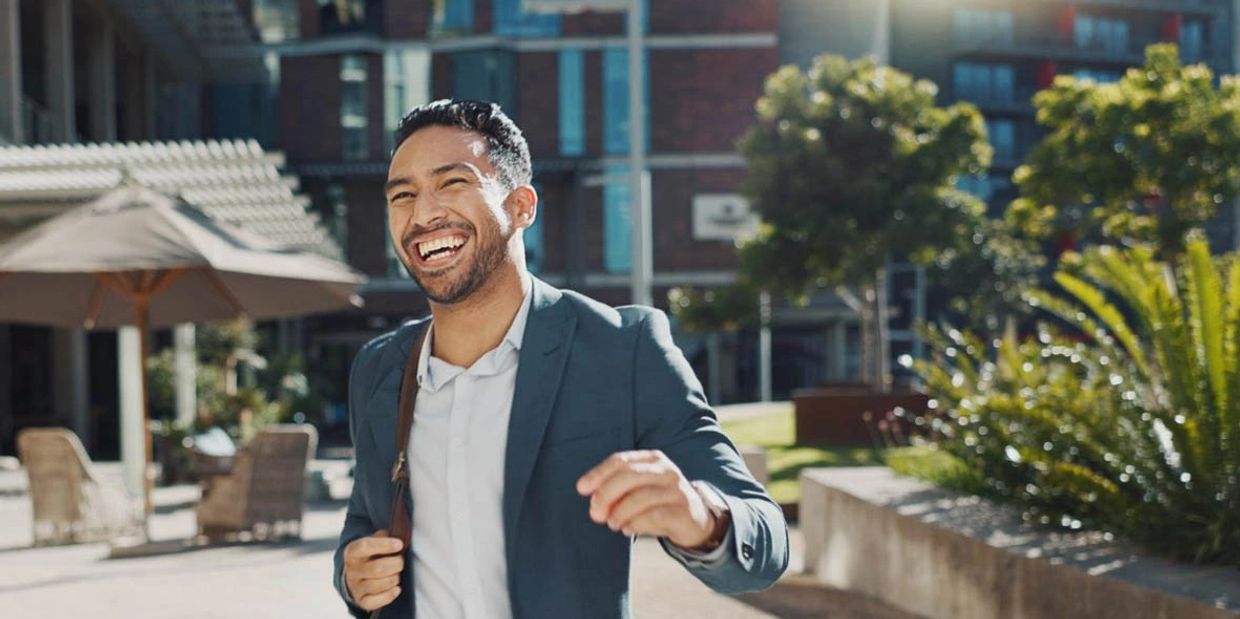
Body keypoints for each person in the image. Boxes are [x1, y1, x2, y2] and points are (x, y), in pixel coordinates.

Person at [333, 99, 788, 619]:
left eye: (452, 184)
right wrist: (351, 575)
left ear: (522, 206)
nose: (423, 214)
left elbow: (765, 546)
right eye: (403, 196)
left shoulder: (624, 350)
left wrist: (701, 517)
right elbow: (363, 523)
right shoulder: (378, 370)